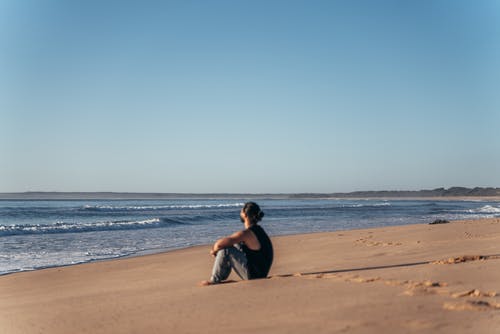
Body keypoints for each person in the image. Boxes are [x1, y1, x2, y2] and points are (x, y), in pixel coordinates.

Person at [200, 202, 273, 286]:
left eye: (241, 211)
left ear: (245, 215)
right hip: (261, 272)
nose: (240, 213)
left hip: (254, 275)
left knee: (225, 250)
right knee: (235, 245)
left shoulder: (246, 233)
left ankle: (214, 280)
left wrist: (213, 251)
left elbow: (219, 245)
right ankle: (222, 276)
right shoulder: (259, 230)